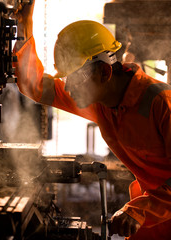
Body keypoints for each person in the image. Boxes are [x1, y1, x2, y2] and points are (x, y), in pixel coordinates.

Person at [13, 1, 171, 239]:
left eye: (74, 80)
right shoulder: (101, 102)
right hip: (152, 220)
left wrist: (139, 210)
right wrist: (24, 26)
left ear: (105, 72)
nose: (68, 88)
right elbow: (34, 86)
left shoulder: (162, 104)